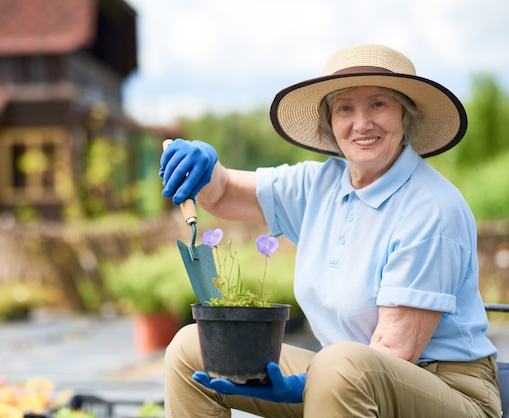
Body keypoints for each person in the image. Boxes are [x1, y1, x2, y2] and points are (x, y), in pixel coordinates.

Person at [158, 44, 502, 417]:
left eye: (378, 104)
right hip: (342, 376)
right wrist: (205, 167)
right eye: (345, 108)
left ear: (405, 113)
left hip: (446, 391)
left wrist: (307, 385)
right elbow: (223, 193)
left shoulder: (431, 207)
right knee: (191, 350)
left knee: (338, 367)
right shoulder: (318, 185)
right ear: (330, 121)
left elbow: (393, 352)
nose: (362, 123)